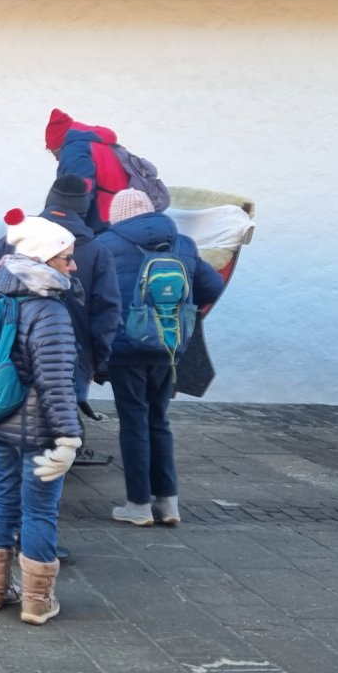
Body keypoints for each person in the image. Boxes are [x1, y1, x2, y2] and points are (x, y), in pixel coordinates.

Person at [0, 212, 83, 625]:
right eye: (66, 258)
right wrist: (69, 437)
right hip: (40, 431)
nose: (73, 266)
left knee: (3, 498)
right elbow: (56, 381)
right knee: (39, 511)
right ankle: (37, 602)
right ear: (42, 259)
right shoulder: (49, 311)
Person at [96, 190, 224, 527]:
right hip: (170, 346)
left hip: (127, 347)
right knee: (159, 421)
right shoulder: (183, 244)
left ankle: (138, 504)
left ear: (118, 216)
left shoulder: (105, 245)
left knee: (134, 422)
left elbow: (96, 296)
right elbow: (211, 287)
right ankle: (168, 504)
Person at [40, 175, 123, 465]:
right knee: (60, 433)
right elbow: (107, 311)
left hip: (17, 354)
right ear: (83, 208)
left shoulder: (13, 241)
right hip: (76, 355)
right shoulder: (97, 251)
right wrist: (98, 358)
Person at [44, 108, 130, 231]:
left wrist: (67, 227)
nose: (55, 157)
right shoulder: (96, 144)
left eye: (50, 150)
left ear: (57, 145)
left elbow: (77, 192)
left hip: (100, 222)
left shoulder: (74, 151)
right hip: (118, 214)